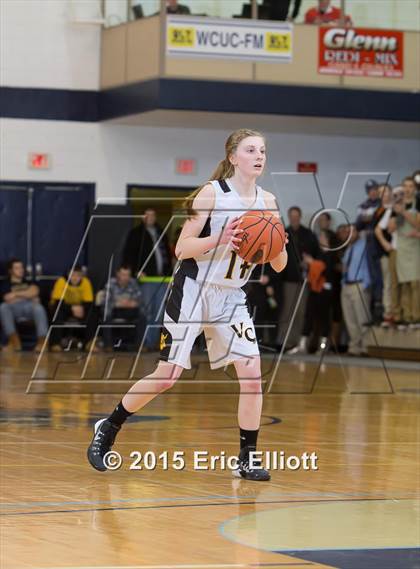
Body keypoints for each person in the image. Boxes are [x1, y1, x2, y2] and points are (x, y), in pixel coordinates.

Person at [87, 128, 288, 481]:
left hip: (231, 297)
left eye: (263, 150)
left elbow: (280, 265)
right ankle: (110, 425)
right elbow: (182, 249)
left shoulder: (268, 202)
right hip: (194, 289)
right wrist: (220, 238)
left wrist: (279, 245)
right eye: (251, 149)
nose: (259, 156)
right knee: (167, 377)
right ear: (232, 157)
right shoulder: (211, 194)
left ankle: (247, 457)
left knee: (253, 378)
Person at [122, 208, 172, 350]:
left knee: (159, 312)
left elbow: (167, 254)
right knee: (147, 311)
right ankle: (143, 343)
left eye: (153, 215)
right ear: (143, 217)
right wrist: (136, 271)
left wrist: (170, 273)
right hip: (147, 279)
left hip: (162, 279)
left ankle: (152, 343)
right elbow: (129, 254)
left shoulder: (160, 232)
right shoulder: (136, 234)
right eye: (147, 215)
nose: (150, 217)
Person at [275, 206, 319, 353]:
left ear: (299, 217)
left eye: (296, 216)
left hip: (304, 281)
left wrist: (308, 262)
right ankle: (285, 342)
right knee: (287, 312)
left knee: (301, 312)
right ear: (289, 216)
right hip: (287, 281)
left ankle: (299, 342)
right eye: (291, 216)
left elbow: (316, 255)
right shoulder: (283, 233)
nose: (294, 218)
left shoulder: (309, 234)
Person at [390, 177, 420, 328]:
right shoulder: (398, 205)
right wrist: (397, 213)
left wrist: (405, 212)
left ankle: (417, 316)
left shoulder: (418, 203)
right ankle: (407, 316)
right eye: (405, 186)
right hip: (402, 246)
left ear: (415, 188)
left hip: (415, 246)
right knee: (404, 283)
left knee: (416, 282)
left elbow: (417, 224)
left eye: (411, 186)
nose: (408, 189)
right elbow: (391, 228)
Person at [0, 258, 48, 352]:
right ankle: (14, 342)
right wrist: (28, 295)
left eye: (21, 267)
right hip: (14, 309)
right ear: (10, 271)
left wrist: (16, 294)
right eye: (17, 268)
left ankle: (42, 342)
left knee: (39, 308)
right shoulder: (5, 283)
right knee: (3, 307)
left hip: (29, 308)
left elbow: (35, 291)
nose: (21, 270)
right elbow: (7, 298)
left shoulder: (28, 281)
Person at [340, 226, 372, 356]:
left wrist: (366, 283)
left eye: (352, 231)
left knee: (362, 317)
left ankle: (365, 347)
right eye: (347, 232)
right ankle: (354, 347)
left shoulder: (365, 245)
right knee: (350, 319)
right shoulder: (348, 248)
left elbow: (370, 264)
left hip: (359, 284)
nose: (349, 234)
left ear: (358, 232)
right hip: (346, 285)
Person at [49, 266, 96, 351]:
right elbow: (58, 303)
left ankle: (89, 343)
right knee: (57, 312)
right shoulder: (61, 281)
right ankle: (55, 343)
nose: (75, 278)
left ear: (82, 276)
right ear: (68, 275)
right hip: (63, 308)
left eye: (78, 275)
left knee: (91, 313)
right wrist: (72, 309)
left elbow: (89, 303)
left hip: (79, 309)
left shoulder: (86, 282)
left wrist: (81, 309)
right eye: (72, 275)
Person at [100, 265, 146, 350]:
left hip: (130, 310)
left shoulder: (133, 283)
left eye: (128, 275)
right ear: (118, 274)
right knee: (106, 315)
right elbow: (105, 301)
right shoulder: (111, 283)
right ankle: (108, 345)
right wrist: (117, 303)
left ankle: (139, 345)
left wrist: (132, 303)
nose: (125, 277)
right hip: (115, 310)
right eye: (123, 274)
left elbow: (140, 300)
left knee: (142, 316)